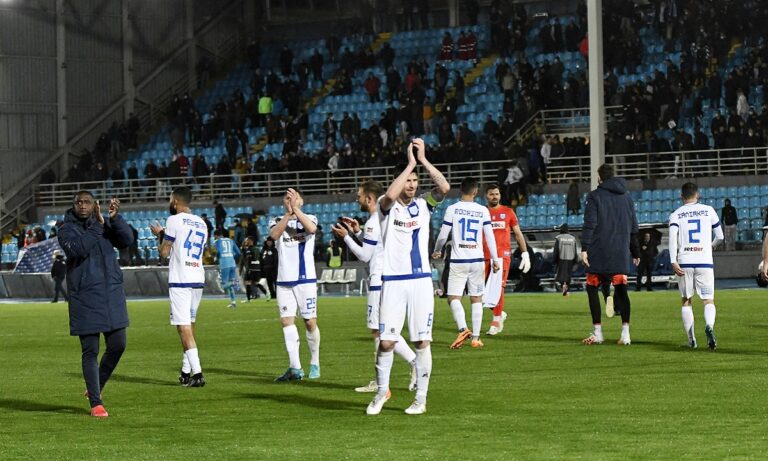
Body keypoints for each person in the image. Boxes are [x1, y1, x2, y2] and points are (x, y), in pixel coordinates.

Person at [366, 137, 449, 416]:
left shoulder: (425, 205)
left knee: (422, 342)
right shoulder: (386, 206)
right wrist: (410, 164)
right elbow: (390, 196)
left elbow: (444, 188)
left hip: (420, 281)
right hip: (393, 281)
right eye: (408, 180)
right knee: (386, 341)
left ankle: (420, 399)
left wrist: (423, 160)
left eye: (415, 180)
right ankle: (381, 393)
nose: (411, 184)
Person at [331, 180, 417, 393]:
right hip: (389, 279)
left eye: (359, 195)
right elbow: (378, 246)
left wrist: (347, 238)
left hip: (379, 283)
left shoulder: (372, 221)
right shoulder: (383, 218)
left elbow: (365, 255)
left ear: (369, 198)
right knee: (383, 330)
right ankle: (396, 373)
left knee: (380, 332)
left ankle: (389, 378)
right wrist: (358, 233)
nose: (357, 199)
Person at [58, 192, 133, 417]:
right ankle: (96, 403)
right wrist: (99, 226)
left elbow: (127, 240)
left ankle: (95, 385)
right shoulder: (66, 229)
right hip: (85, 297)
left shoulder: (105, 223)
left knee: (118, 345)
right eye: (78, 202)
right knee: (90, 350)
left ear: (94, 205)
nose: (82, 205)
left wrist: (115, 219)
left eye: (87, 202)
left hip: (111, 294)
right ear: (73, 205)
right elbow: (78, 249)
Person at [150, 186, 208, 388]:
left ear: (175, 201)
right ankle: (185, 371)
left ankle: (197, 373)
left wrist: (161, 236)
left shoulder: (173, 220)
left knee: (183, 327)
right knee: (189, 325)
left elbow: (164, 252)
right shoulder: (202, 222)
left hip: (181, 279)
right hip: (197, 276)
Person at [432, 177, 500, 349]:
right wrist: (495, 259)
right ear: (475, 192)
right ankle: (476, 338)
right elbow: (489, 236)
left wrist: (437, 249)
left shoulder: (452, 209)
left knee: (453, 298)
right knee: (476, 299)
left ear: (460, 190)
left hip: (458, 260)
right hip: (477, 260)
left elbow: (443, 234)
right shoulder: (483, 210)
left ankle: (463, 329)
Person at [580, 164, 640, 346]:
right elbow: (634, 227)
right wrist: (635, 251)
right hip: (620, 252)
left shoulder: (594, 196)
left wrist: (584, 248)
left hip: (598, 251)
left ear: (600, 177)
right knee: (622, 291)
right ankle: (626, 334)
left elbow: (590, 224)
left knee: (592, 288)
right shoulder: (627, 197)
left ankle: (598, 333)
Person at [269, 188, 321, 381]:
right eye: (287, 198)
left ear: (301, 200)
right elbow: (274, 236)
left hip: (305, 280)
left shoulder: (310, 218)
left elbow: (312, 229)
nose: (290, 200)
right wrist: (288, 214)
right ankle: (295, 368)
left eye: (294, 197)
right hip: (284, 280)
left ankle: (315, 362)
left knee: (309, 321)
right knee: (286, 321)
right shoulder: (276, 220)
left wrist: (296, 210)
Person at [669, 183, 724, 350]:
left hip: (684, 261)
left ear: (681, 196)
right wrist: (710, 246)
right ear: (697, 195)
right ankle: (709, 326)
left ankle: (691, 339)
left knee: (686, 300)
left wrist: (673, 260)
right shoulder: (708, 210)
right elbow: (720, 236)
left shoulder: (676, 214)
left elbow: (672, 239)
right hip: (704, 260)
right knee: (708, 299)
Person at [482, 183, 530, 336]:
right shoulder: (482, 213)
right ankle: (500, 312)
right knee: (481, 292)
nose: (494, 196)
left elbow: (518, 234)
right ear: (486, 196)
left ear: (500, 195)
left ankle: (496, 321)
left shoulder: (508, 212)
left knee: (498, 288)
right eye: (491, 194)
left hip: (502, 256)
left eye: (496, 194)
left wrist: (525, 253)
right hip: (484, 256)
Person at [214, 229, 241, 309]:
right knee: (229, 284)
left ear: (216, 235)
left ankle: (234, 283)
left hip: (224, 264)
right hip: (232, 263)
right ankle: (233, 302)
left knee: (223, 285)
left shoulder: (217, 241)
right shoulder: (230, 240)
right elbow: (238, 253)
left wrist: (217, 258)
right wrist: (232, 257)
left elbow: (219, 252)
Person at [240, 237, 269, 302]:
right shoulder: (257, 249)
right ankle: (267, 294)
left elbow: (248, 259)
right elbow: (261, 258)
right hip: (257, 269)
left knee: (247, 283)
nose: (246, 242)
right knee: (256, 283)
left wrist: (249, 268)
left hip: (251, 268)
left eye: (247, 241)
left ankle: (248, 299)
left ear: (250, 241)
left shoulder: (249, 250)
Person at [553, 224, 578, 296]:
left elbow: (556, 250)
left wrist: (554, 261)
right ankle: (567, 290)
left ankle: (563, 288)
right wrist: (575, 261)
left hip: (561, 259)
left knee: (561, 275)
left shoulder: (559, 238)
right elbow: (575, 250)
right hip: (570, 259)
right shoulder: (573, 238)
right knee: (568, 276)